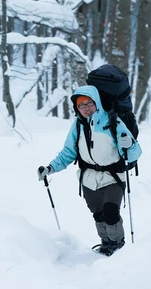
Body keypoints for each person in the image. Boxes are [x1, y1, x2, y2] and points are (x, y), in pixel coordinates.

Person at [37, 85, 142, 256]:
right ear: (77, 108)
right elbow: (68, 152)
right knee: (98, 214)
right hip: (88, 178)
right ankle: (106, 243)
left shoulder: (112, 122)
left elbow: (135, 152)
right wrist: (50, 168)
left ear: (97, 103)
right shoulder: (78, 126)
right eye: (81, 105)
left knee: (110, 212)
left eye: (89, 103)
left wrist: (129, 145)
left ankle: (118, 246)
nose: (86, 108)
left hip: (112, 176)